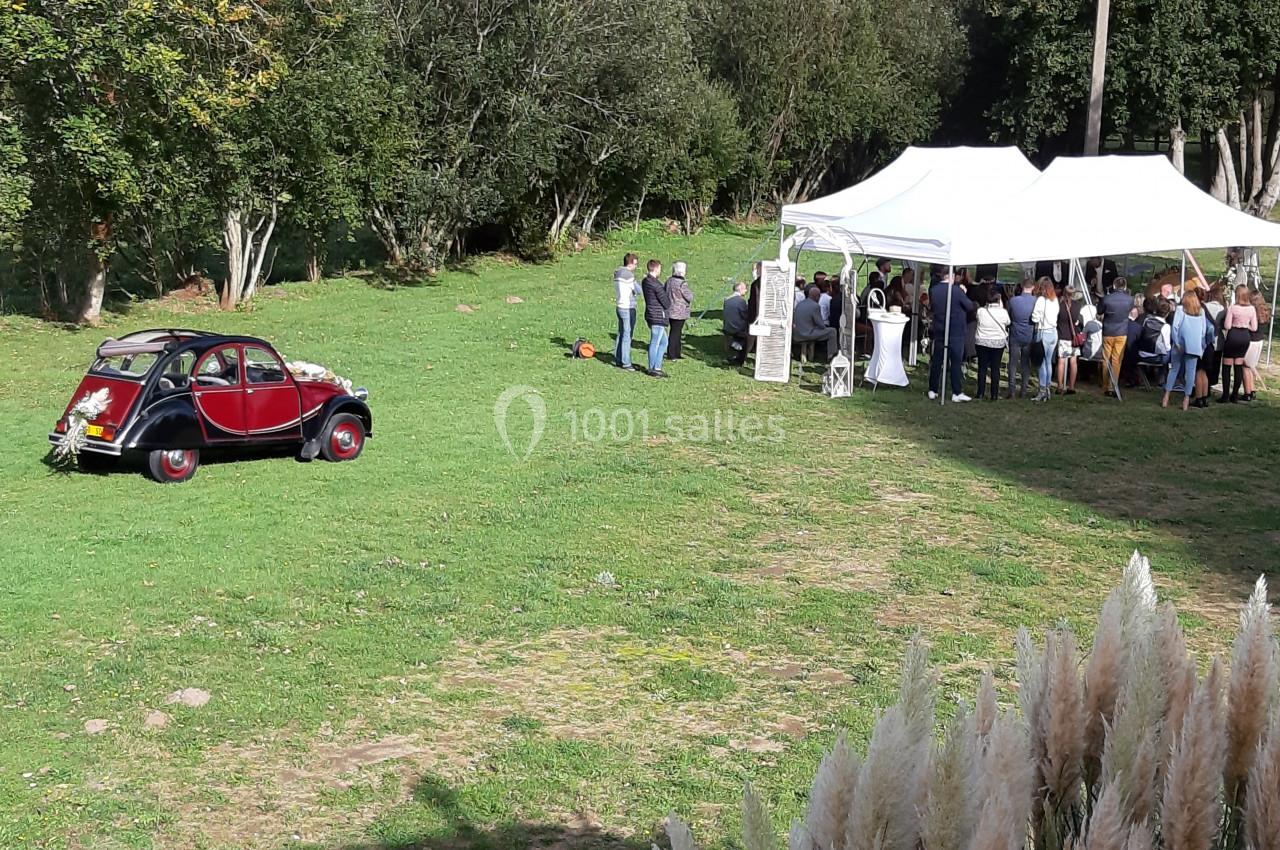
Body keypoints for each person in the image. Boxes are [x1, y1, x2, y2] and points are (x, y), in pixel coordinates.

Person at [928, 271, 975, 402]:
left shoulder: (934, 290)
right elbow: (969, 306)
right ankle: (956, 391)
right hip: (955, 330)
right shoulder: (957, 291)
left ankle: (933, 389)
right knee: (955, 361)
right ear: (951, 277)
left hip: (940, 328)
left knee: (937, 360)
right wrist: (963, 293)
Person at [1162, 291, 1211, 411]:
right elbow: (1204, 331)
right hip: (1194, 346)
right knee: (1190, 373)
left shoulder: (1180, 309)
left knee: (1174, 370)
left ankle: (1166, 396)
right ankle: (1186, 399)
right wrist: (1201, 345)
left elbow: (1175, 327)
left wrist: (1176, 342)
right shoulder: (1201, 311)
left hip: (1180, 344)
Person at [1221, 284, 1257, 402]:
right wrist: (1245, 324)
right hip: (1244, 336)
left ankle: (1225, 395)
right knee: (1238, 365)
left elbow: (1227, 325)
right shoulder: (1251, 309)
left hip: (1234, 335)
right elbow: (1254, 327)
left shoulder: (1233, 308)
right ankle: (1235, 395)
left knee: (1227, 365)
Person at [1098, 277, 1134, 397]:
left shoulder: (1107, 299)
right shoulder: (1130, 300)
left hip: (1108, 331)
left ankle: (1105, 385)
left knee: (1106, 360)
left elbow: (1099, 311)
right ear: (1124, 287)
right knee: (1116, 360)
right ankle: (1113, 385)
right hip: (1121, 332)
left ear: (1114, 286)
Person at [975, 288, 1010, 401]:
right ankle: (994, 394)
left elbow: (978, 319)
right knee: (995, 368)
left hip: (982, 341)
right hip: (997, 343)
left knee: (982, 367)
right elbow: (1008, 322)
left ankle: (980, 392)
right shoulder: (1003, 312)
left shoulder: (981, 311)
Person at [1193, 286, 1226, 407]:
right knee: (1210, 369)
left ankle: (1199, 395)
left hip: (1205, 342)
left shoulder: (1203, 308)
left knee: (1199, 370)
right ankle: (1206, 394)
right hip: (1217, 342)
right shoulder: (1223, 309)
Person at [1029, 277, 1060, 403]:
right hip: (1053, 332)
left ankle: (1042, 390)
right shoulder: (1055, 300)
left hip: (1043, 332)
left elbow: (1035, 318)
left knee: (1041, 363)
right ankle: (1047, 388)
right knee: (1048, 362)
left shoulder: (1041, 300)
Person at [1007, 278, 1037, 399]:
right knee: (1025, 364)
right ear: (1033, 287)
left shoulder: (1013, 300)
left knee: (1013, 364)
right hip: (1029, 335)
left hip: (1015, 334)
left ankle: (1012, 390)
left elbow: (1008, 317)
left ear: (1021, 286)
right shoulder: (1036, 301)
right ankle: (1024, 390)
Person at [640, 259, 671, 377]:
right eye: (660, 269)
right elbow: (666, 302)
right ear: (656, 268)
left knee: (664, 342)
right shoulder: (656, 285)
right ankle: (652, 367)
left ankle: (657, 366)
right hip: (658, 315)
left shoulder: (645, 282)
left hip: (651, 314)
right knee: (656, 342)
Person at [612, 253, 641, 370]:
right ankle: (626, 362)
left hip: (619, 306)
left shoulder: (617, 273)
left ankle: (618, 358)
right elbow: (638, 290)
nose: (636, 267)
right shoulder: (628, 276)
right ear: (631, 263)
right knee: (627, 335)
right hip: (628, 307)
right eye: (635, 264)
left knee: (621, 332)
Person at [794, 285, 837, 359]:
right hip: (807, 334)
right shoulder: (815, 306)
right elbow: (821, 325)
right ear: (817, 296)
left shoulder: (800, 304)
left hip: (796, 334)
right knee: (832, 331)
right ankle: (832, 355)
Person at [664, 261, 693, 360]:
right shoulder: (682, 283)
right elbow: (689, 296)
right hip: (679, 312)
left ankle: (676, 352)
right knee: (676, 333)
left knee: (674, 331)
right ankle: (672, 354)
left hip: (670, 310)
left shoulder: (669, 281)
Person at [1244, 290, 1270, 401]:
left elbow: (1252, 327)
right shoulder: (1265, 311)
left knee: (1245, 367)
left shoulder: (1253, 312)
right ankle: (1252, 390)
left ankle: (1247, 393)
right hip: (1259, 341)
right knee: (1251, 367)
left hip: (1251, 342)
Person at [1055, 285, 1080, 395]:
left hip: (1062, 335)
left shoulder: (1059, 305)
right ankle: (1072, 386)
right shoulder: (1078, 306)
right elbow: (1078, 321)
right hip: (1073, 337)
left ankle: (1060, 385)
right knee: (1073, 362)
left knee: (1061, 361)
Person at [723, 281, 750, 365]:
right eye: (745, 289)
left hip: (727, 326)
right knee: (751, 329)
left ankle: (732, 346)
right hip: (737, 328)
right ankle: (739, 347)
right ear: (740, 289)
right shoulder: (740, 301)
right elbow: (746, 315)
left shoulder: (726, 299)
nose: (746, 291)